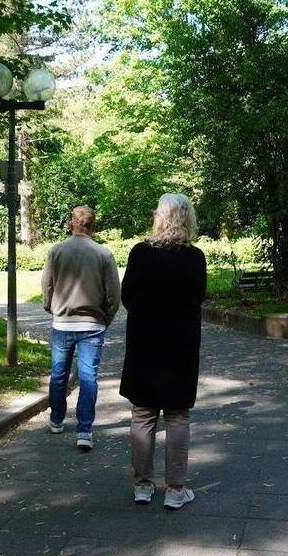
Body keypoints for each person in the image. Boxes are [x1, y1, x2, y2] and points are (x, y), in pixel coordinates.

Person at [119, 193, 207, 510]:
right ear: (187, 219)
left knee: (143, 414)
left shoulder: (140, 254)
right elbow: (199, 297)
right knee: (177, 416)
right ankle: (175, 489)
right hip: (180, 346)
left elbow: (126, 295)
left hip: (145, 343)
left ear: (159, 217)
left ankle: (143, 485)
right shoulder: (195, 257)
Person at [41, 205, 121, 451]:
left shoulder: (56, 251)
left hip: (62, 323)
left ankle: (56, 419)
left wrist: (51, 308)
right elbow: (114, 295)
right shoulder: (103, 254)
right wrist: (104, 319)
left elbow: (47, 286)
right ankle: (84, 430)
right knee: (88, 377)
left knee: (58, 374)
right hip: (92, 324)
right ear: (93, 226)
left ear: (71, 224)